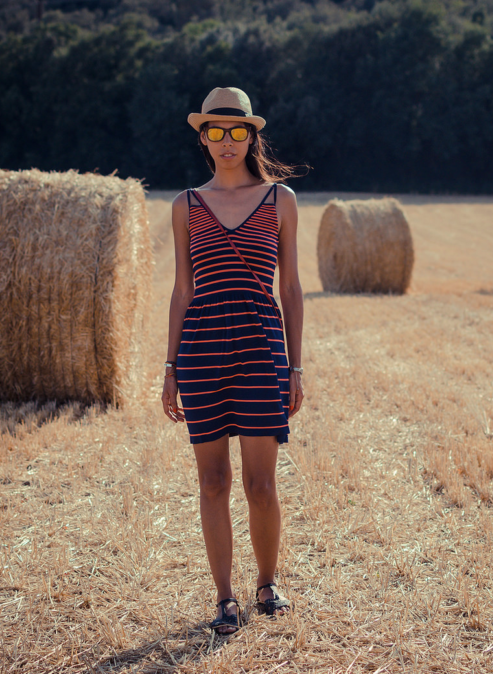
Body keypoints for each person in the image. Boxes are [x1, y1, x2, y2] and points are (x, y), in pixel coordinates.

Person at [161, 87, 305, 635]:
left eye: (237, 131)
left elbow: (290, 289)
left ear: (251, 135)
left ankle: (267, 584)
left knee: (260, 484)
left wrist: (295, 367)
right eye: (216, 133)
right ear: (203, 137)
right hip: (200, 352)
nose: (227, 142)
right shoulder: (186, 206)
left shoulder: (280, 199)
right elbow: (181, 292)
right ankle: (224, 598)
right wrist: (170, 369)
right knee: (213, 481)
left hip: (262, 350)